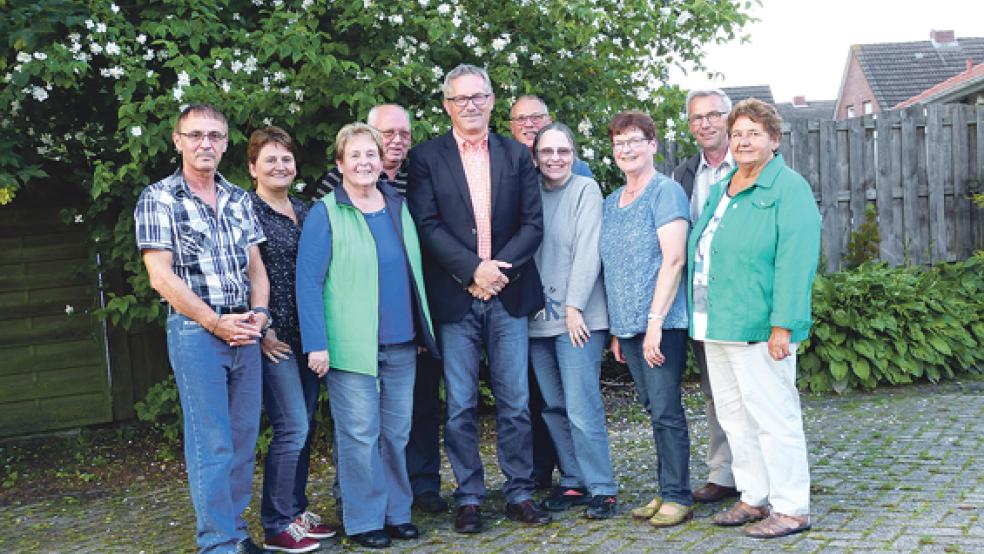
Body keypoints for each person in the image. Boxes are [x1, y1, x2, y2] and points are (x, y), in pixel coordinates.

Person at [406, 64, 550, 534]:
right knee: (461, 406)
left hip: (506, 296)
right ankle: (468, 497)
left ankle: (519, 493)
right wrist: (472, 270)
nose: (470, 105)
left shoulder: (516, 154)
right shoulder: (427, 157)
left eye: (478, 97)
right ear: (447, 105)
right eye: (460, 98)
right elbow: (426, 225)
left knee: (514, 402)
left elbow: (533, 224)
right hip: (455, 297)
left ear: (491, 101)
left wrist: (495, 273)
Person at [297, 123, 438, 549]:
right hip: (349, 344)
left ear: (382, 163)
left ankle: (397, 512)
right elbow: (308, 281)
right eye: (354, 156)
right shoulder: (325, 212)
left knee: (396, 434)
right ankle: (363, 520)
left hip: (401, 341)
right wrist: (315, 343)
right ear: (339, 164)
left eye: (370, 155)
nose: (363, 163)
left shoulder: (397, 204)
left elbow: (412, 267)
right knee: (359, 435)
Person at [135, 104, 269, 554]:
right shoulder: (158, 198)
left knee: (243, 442)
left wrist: (261, 316)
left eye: (214, 136)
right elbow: (161, 277)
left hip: (246, 329)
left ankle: (233, 530)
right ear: (177, 141)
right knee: (211, 443)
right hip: (198, 333)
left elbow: (256, 269)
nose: (205, 144)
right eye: (195, 135)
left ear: (227, 143)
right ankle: (217, 544)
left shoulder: (238, 198)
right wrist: (215, 322)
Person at [688, 98, 820, 538]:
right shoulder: (724, 185)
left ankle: (792, 507)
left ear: (774, 140)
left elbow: (796, 261)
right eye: (738, 133)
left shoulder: (788, 188)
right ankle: (753, 496)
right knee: (734, 416)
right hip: (716, 323)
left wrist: (784, 324)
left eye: (754, 133)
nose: (743, 141)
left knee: (773, 416)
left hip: (760, 327)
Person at [599, 110, 694, 528]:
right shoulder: (611, 202)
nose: (627, 149)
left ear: (652, 145)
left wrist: (655, 322)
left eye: (635, 140)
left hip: (662, 325)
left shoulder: (665, 192)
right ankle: (664, 489)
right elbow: (615, 267)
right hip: (630, 327)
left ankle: (678, 495)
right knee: (653, 408)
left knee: (667, 410)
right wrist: (620, 330)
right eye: (620, 143)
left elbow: (673, 260)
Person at [247, 127, 336, 553]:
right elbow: (242, 274)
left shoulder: (305, 209)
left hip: (309, 336)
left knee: (306, 426)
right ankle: (276, 522)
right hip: (274, 338)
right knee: (291, 427)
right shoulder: (246, 212)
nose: (280, 166)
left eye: (285, 159)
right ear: (252, 168)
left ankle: (296, 513)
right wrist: (262, 330)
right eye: (270, 160)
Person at [527, 123, 618, 519]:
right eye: (547, 151)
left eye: (563, 151)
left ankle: (603, 488)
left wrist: (573, 307)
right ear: (535, 157)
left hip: (578, 318)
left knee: (582, 405)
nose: (555, 158)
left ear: (574, 154)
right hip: (536, 319)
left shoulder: (585, 190)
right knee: (553, 406)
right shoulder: (529, 193)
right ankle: (573, 480)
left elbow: (587, 251)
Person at [508, 95, 588, 490]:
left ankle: (584, 475)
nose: (529, 123)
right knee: (537, 399)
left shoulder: (577, 175)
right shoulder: (509, 166)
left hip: (567, 310)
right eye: (521, 118)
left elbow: (585, 246)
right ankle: (545, 471)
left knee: (570, 400)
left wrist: (575, 305)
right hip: (525, 306)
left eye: (536, 117)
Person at [672, 88, 738, 504]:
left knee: (753, 391)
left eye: (714, 115)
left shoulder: (750, 165)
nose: (706, 123)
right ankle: (724, 473)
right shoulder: (684, 174)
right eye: (697, 118)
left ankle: (761, 475)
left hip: (743, 299)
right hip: (701, 304)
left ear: (730, 118)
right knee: (717, 392)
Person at [312, 104, 412, 198]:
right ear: (371, 135)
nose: (398, 140)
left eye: (404, 134)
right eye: (389, 133)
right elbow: (319, 212)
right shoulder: (344, 175)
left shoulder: (418, 172)